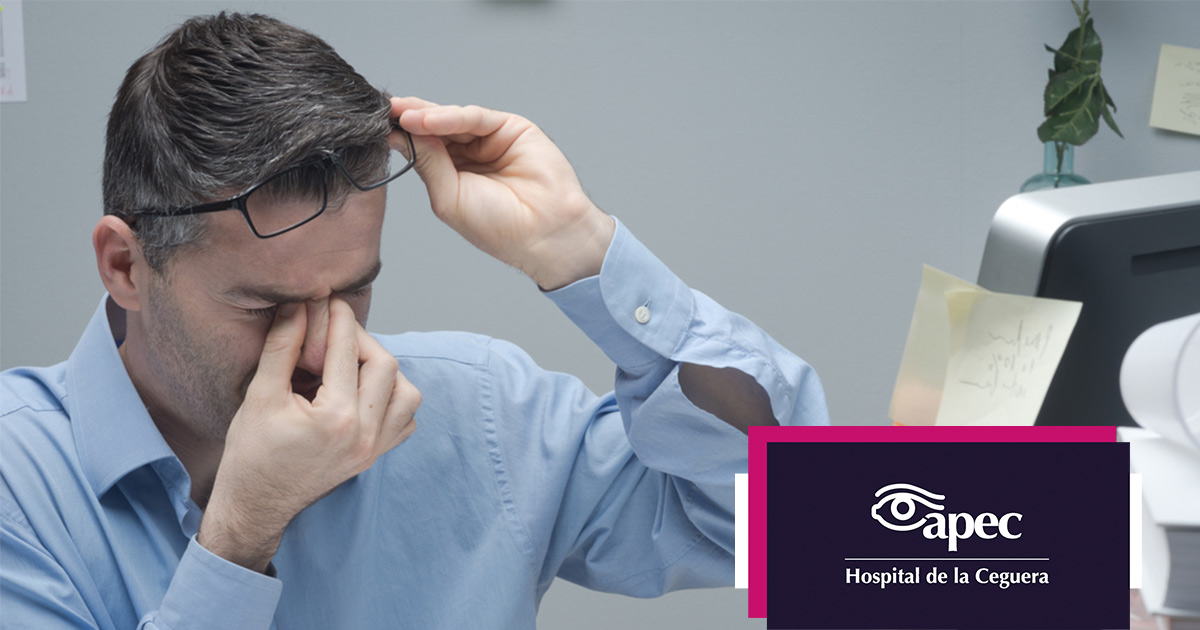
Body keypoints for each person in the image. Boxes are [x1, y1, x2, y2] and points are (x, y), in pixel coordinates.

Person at [0, 12, 828, 629]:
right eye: (265, 307)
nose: (326, 347)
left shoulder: (478, 412)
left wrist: (586, 256)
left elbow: (806, 533)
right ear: (125, 266)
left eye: (355, 289)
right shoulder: (17, 488)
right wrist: (238, 541)